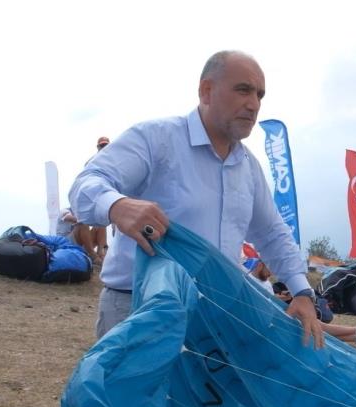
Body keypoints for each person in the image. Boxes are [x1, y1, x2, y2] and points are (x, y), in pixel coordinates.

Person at [69, 50, 322, 347]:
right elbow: (85, 184)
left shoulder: (249, 167)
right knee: (136, 394)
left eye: (260, 95)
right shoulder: (156, 138)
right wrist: (116, 205)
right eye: (243, 90)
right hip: (138, 310)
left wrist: (302, 292)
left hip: (212, 320)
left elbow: (271, 232)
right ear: (206, 91)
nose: (254, 105)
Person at [245, 255, 356, 350]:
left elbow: (270, 298)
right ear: (260, 264)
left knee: (311, 324)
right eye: (269, 270)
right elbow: (257, 301)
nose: (271, 274)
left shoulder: (266, 283)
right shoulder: (248, 279)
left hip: (276, 316)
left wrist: (283, 298)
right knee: (311, 324)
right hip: (266, 321)